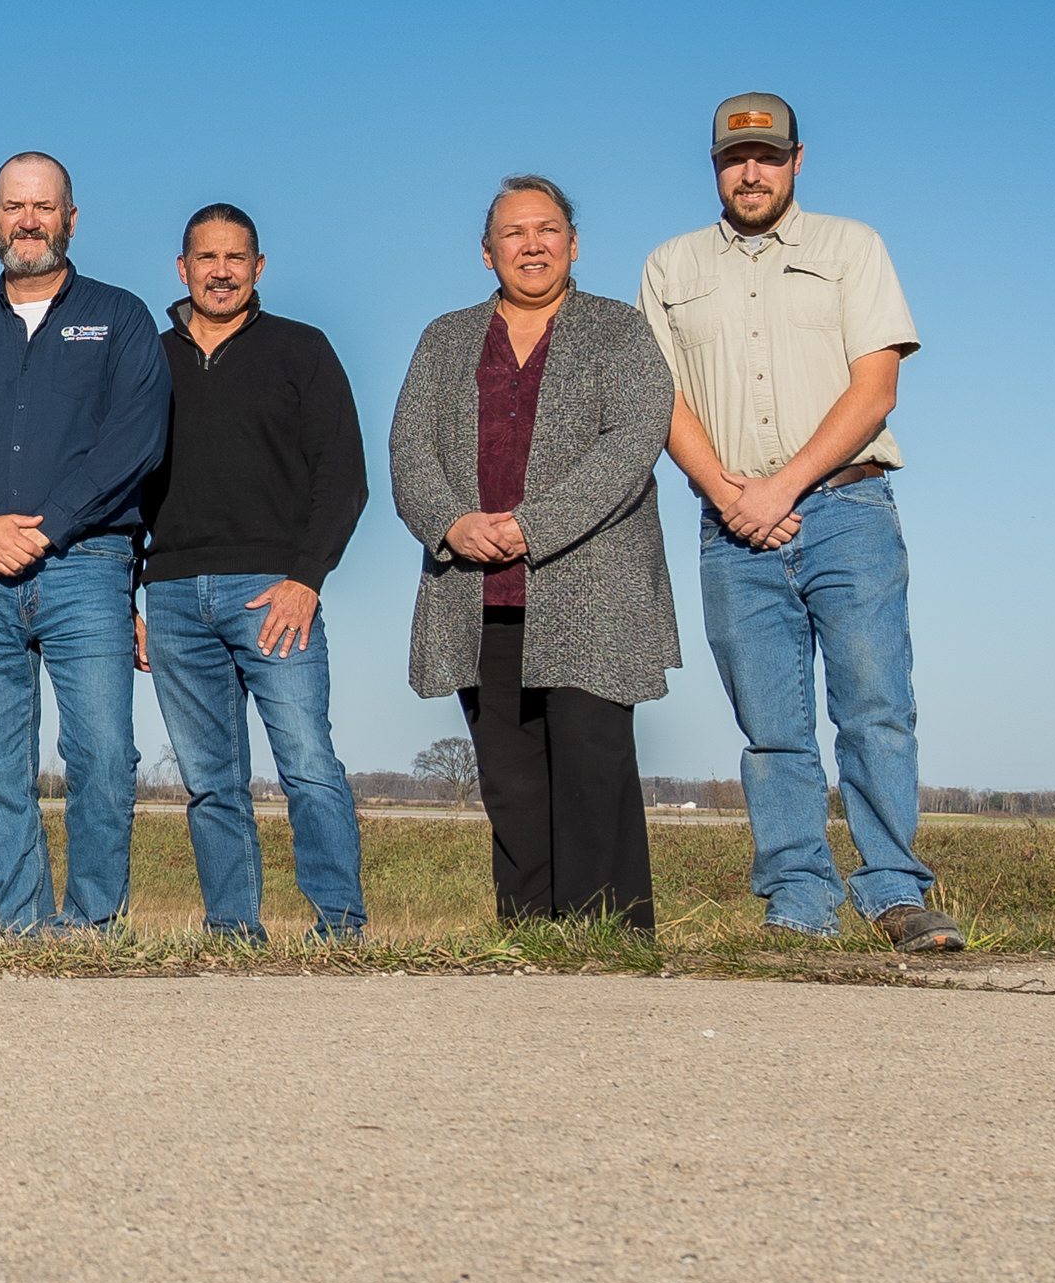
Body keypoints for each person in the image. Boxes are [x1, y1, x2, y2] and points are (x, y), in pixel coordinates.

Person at [638, 94, 956, 949]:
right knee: (772, 729)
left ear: (797, 161)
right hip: (729, 527)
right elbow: (660, 401)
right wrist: (733, 494)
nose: (751, 172)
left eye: (767, 157)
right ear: (713, 164)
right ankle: (799, 903)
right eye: (734, 159)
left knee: (876, 708)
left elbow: (876, 386)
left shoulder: (853, 248)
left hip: (849, 510)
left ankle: (894, 892)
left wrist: (782, 488)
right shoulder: (670, 266)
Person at [387, 176, 679, 933]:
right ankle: (531, 942)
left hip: (592, 587)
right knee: (510, 783)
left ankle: (609, 939)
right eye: (514, 234)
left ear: (573, 245)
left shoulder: (618, 331)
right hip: (476, 591)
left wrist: (533, 526)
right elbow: (409, 446)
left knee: (591, 766)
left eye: (547, 230)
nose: (532, 245)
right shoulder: (445, 338)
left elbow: (632, 444)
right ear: (488, 254)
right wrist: (450, 522)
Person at [0, 154, 170, 936]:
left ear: (71, 218)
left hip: (86, 564)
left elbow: (136, 441)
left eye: (44, 206)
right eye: (14, 206)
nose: (29, 220)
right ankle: (19, 927)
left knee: (102, 754)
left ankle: (90, 926)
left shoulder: (120, 319)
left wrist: (51, 523)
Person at [134, 204, 369, 944]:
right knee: (210, 780)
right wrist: (128, 596)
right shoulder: (148, 358)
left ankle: (339, 927)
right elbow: (119, 483)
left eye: (237, 258)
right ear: (183, 268)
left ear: (259, 268)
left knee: (307, 764)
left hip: (273, 592)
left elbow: (344, 477)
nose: (222, 271)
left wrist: (307, 577)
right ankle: (234, 931)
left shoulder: (302, 350)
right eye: (207, 257)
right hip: (171, 595)